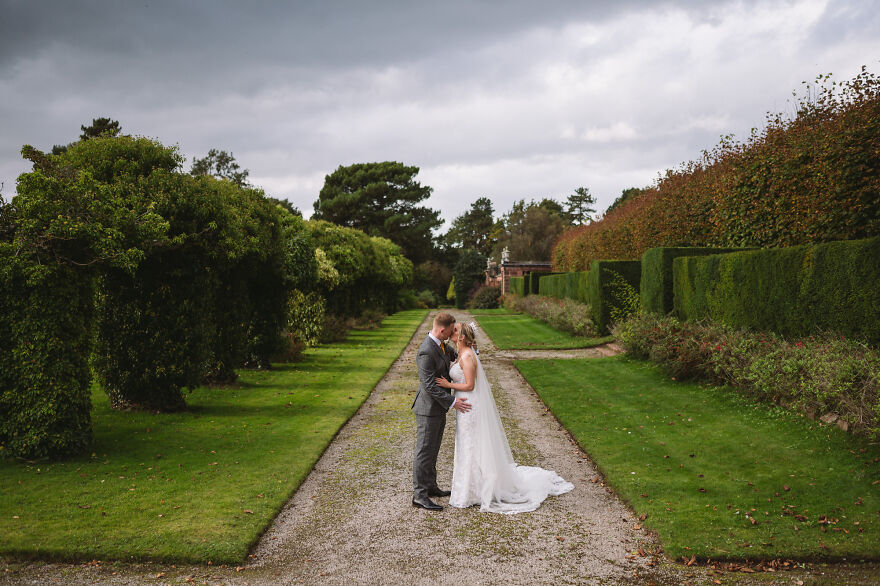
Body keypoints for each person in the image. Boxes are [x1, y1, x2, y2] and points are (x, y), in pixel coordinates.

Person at [436, 321, 573, 513]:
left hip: (469, 404)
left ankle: (473, 492)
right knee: (467, 444)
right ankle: (469, 489)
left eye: (455, 330)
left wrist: (447, 385)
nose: (452, 332)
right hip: (464, 405)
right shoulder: (462, 353)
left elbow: (470, 385)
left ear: (463, 337)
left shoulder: (467, 356)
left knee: (471, 444)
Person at [411, 313, 472, 511]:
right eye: (451, 330)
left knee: (433, 449)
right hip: (428, 409)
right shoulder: (426, 351)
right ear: (442, 330)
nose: (452, 333)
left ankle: (431, 486)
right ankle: (419, 495)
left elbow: (460, 355)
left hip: (439, 408)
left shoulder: (443, 345)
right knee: (424, 452)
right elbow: (429, 386)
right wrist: (453, 401)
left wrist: (471, 352)